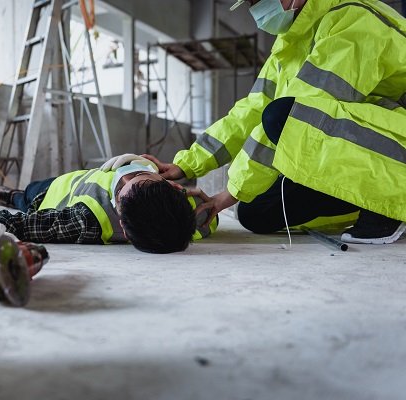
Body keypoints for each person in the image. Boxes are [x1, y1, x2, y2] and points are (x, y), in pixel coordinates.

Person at [143, 0, 406, 244]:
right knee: (255, 213)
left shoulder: (353, 19)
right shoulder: (290, 42)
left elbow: (298, 117)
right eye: (250, 3)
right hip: (372, 146)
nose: (257, 9)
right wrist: (186, 165)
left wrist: (231, 191)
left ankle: (389, 206)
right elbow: (252, 109)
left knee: (283, 116)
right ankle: (364, 198)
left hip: (397, 147)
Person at [0, 155, 218, 254]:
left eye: (121, 189)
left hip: (50, 193)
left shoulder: (85, 222)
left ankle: (10, 195)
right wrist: (142, 162)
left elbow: (26, 225)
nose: (124, 175)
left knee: (25, 197)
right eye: (140, 175)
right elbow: (210, 220)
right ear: (174, 186)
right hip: (77, 176)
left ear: (120, 222)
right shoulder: (191, 214)